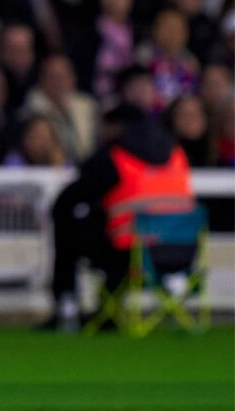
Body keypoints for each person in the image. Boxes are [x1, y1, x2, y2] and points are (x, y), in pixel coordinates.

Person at [45, 103, 194, 330]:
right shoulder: (176, 154)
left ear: (115, 128)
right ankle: (108, 310)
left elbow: (66, 201)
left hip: (128, 253)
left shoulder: (116, 156)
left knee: (65, 224)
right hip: (181, 254)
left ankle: (67, 305)